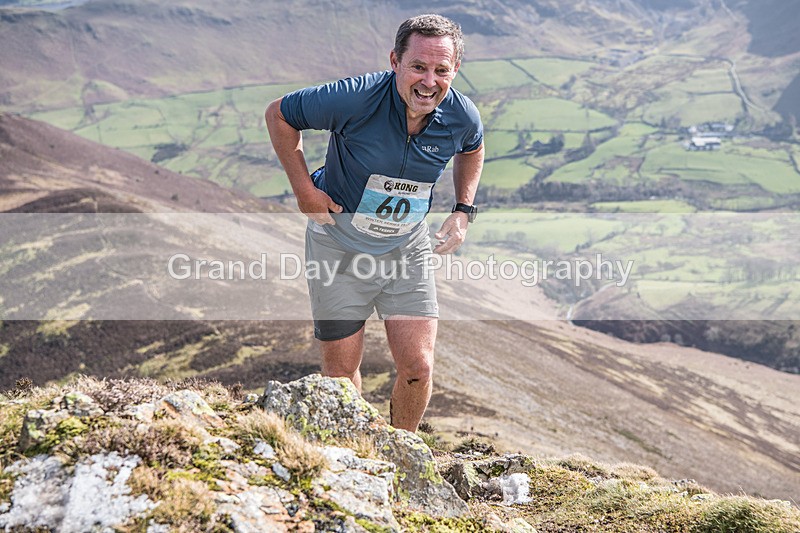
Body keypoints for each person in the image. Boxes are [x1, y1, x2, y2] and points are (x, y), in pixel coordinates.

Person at [265, 14, 484, 432]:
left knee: (419, 367)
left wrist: (463, 209)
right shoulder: (354, 98)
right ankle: (353, 457)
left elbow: (473, 149)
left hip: (406, 250)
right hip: (338, 245)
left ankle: (402, 454)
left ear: (454, 70)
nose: (429, 82)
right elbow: (279, 115)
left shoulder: (462, 115)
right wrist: (304, 191)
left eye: (442, 70)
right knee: (341, 375)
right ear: (395, 61)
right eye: (418, 67)